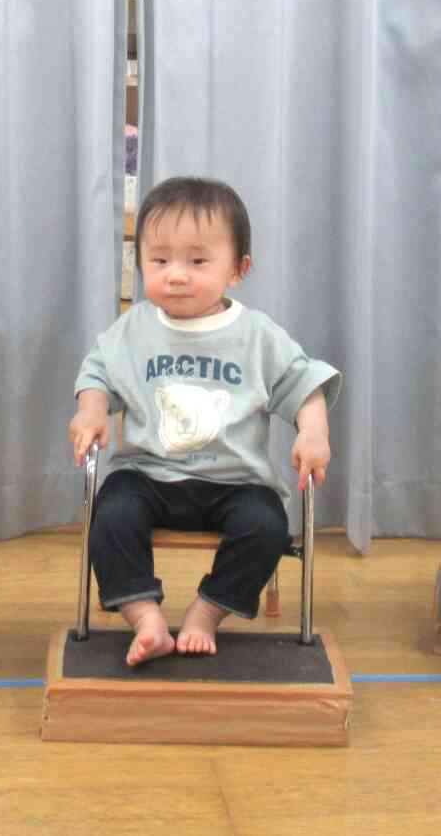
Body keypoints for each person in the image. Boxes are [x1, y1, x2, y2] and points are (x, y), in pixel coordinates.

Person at [69, 176, 341, 666]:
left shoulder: (256, 335)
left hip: (234, 481)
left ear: (238, 269)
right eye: (159, 260)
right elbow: (97, 372)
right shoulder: (135, 327)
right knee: (109, 516)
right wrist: (91, 410)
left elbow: (305, 386)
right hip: (148, 474)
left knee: (267, 526)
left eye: (197, 261)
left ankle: (207, 611)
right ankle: (144, 615)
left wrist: (313, 430)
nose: (176, 275)